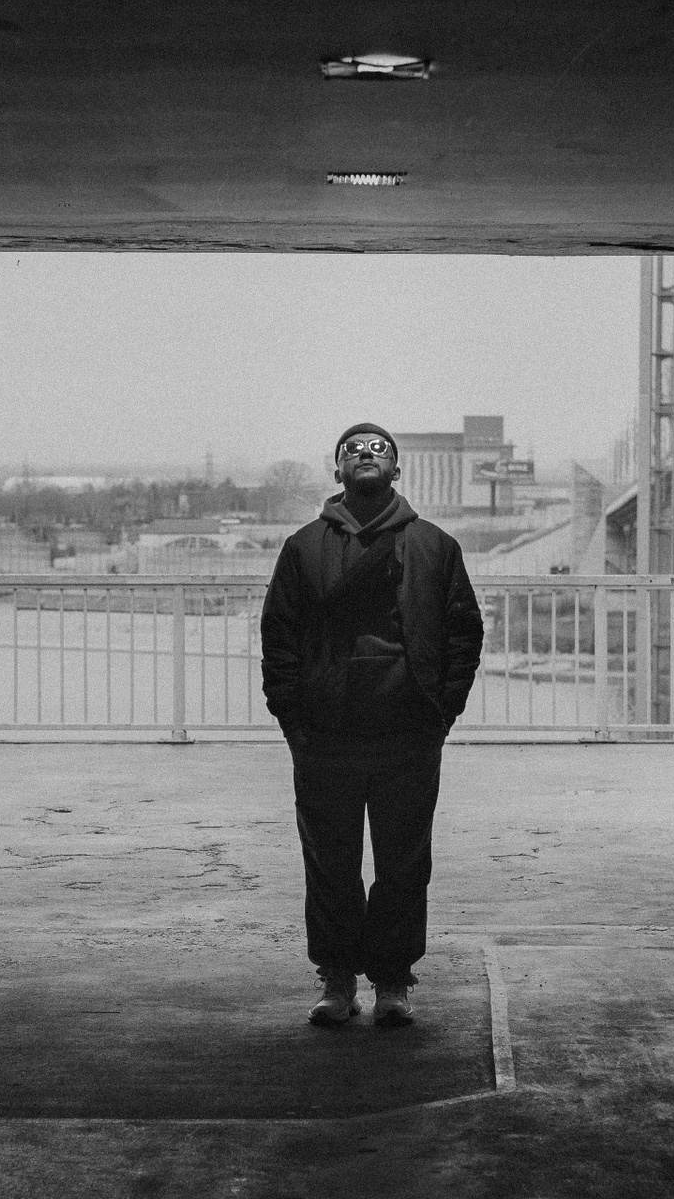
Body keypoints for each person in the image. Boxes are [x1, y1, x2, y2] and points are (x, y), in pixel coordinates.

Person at [259, 423, 484, 1026]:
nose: (365, 454)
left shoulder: (434, 546)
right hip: (325, 734)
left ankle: (392, 981)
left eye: (378, 449)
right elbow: (278, 634)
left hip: (409, 732)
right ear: (337, 470)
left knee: (403, 862)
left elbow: (464, 631)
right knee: (330, 862)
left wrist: (444, 709)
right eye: (353, 450)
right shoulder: (303, 548)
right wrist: (292, 716)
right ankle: (337, 980)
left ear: (396, 470)